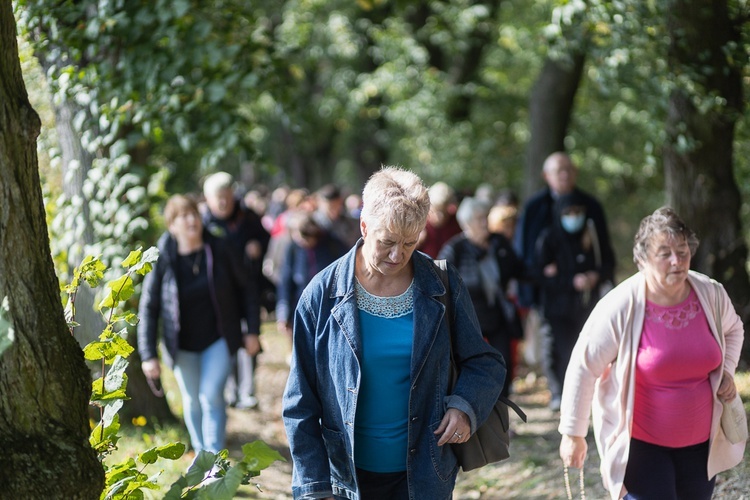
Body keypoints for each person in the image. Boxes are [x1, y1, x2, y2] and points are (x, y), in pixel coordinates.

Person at [282, 167, 506, 500]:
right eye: (386, 242)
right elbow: (300, 404)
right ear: (363, 226)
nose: (397, 255)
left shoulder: (441, 284)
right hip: (346, 478)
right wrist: (315, 487)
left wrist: (464, 407)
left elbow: (485, 362)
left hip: (425, 474)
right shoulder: (322, 294)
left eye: (409, 243)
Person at [558, 207, 746, 500]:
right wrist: (573, 433)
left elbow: (734, 330)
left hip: (700, 444)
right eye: (665, 252)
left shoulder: (710, 293)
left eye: (682, 250)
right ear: (643, 258)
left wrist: (726, 370)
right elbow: (584, 366)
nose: (677, 260)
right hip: (642, 444)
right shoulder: (621, 305)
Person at [137, 194, 261, 453]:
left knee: (210, 395)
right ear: (172, 225)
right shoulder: (163, 259)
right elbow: (149, 307)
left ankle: (214, 462)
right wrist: (148, 355)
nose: (191, 220)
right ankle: (201, 456)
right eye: (182, 216)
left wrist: (252, 331)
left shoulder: (220, 248)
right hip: (181, 345)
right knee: (192, 401)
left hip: (219, 339)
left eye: (194, 213)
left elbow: (248, 288)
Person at [438, 197, 526, 397]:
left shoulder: (498, 242)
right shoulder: (455, 249)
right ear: (466, 223)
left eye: (485, 217)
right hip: (468, 319)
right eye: (479, 219)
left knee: (504, 364)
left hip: (498, 315)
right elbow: (441, 282)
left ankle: (502, 420)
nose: (485, 222)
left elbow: (519, 269)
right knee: (472, 368)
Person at [535, 191, 613, 410]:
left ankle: (587, 396)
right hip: (557, 309)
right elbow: (540, 274)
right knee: (562, 351)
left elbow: (607, 263)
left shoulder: (593, 237)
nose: (573, 216)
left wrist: (594, 277)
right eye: (568, 212)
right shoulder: (549, 238)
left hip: (588, 306)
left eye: (578, 211)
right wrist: (571, 281)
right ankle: (562, 394)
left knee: (589, 350)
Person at [202, 171, 270, 410]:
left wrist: (257, 246)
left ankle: (248, 390)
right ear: (208, 199)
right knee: (226, 339)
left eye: (226, 196)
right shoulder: (203, 224)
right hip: (220, 293)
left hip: (249, 285)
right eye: (217, 197)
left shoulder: (248, 217)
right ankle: (231, 389)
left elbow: (266, 238)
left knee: (250, 336)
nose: (223, 202)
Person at [514, 151, 615, 309]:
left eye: (569, 169)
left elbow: (603, 251)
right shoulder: (534, 208)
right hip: (545, 296)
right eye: (559, 171)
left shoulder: (591, 205)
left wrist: (598, 274)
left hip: (587, 296)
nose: (565, 175)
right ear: (546, 175)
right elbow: (524, 252)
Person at [275, 210, 347, 347]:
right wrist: (283, 313)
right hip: (301, 305)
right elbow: (285, 282)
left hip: (329, 306)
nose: (304, 243)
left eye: (307, 239)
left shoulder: (331, 244)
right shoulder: (293, 248)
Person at [417, 181, 462, 258]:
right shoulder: (420, 224)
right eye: (435, 211)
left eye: (443, 211)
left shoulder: (456, 221)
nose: (439, 216)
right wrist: (417, 242)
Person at [312, 183, 361, 248]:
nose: (334, 211)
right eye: (330, 208)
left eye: (336, 207)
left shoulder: (351, 222)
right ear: (321, 203)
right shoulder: (313, 223)